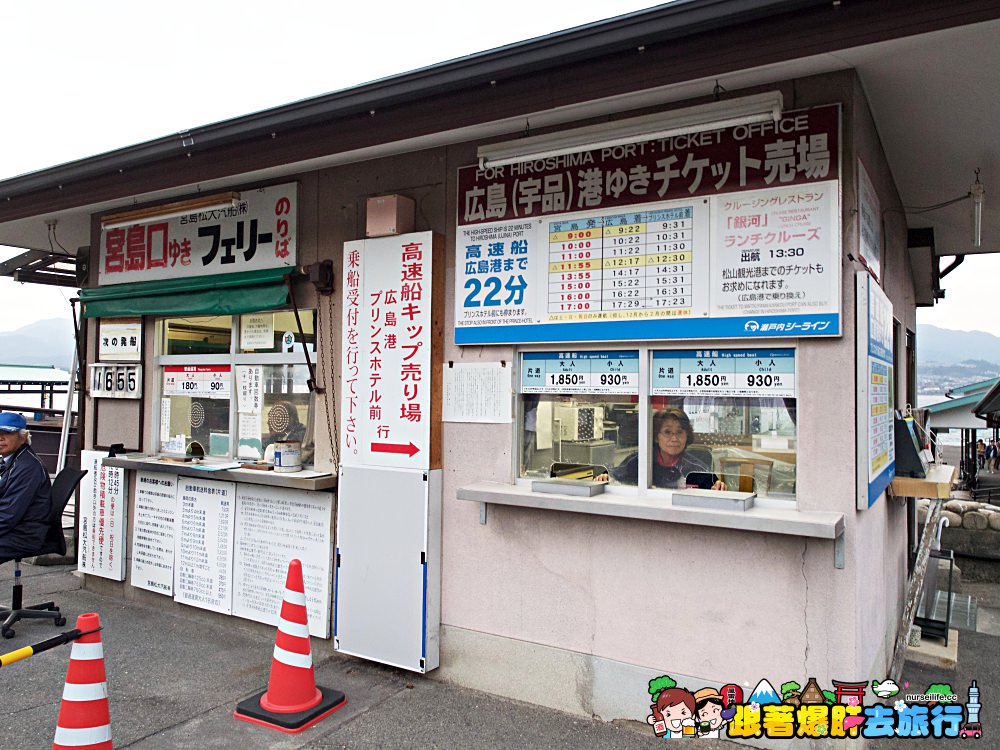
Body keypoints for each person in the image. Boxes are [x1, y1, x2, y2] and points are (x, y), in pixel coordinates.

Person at [598, 407, 727, 490]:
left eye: (680, 432)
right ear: (655, 437)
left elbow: (714, 489)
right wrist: (605, 477)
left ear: (687, 436)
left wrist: (718, 487)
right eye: (667, 432)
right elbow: (614, 475)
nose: (674, 438)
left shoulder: (695, 467)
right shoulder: (639, 461)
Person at [0, 413, 53, 562]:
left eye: (7, 433)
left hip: (24, 534)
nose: (0, 438)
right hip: (13, 527)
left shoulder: (27, 467)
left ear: (23, 437)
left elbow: (8, 516)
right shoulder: (10, 459)